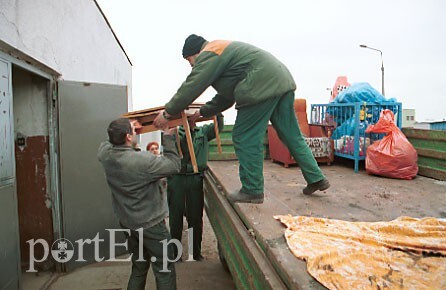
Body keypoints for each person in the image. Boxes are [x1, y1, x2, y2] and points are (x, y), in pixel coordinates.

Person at [153, 34, 330, 204]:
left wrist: (168, 113)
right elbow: (227, 96)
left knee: (245, 136)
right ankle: (316, 178)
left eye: (188, 60)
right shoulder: (223, 52)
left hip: (259, 84)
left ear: (194, 53)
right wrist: (203, 112)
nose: (191, 65)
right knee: (291, 135)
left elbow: (193, 85)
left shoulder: (210, 53)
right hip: (280, 80)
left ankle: (252, 189)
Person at [98, 118, 180, 290]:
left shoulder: (106, 155)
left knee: (139, 266)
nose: (136, 133)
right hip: (151, 225)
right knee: (164, 269)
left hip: (128, 223)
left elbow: (107, 143)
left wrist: (123, 131)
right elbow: (173, 166)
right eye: (133, 132)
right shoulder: (143, 161)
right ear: (128, 137)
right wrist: (168, 136)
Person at [167, 113, 224, 261]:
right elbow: (179, 148)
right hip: (177, 178)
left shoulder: (204, 131)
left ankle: (196, 253)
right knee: (175, 217)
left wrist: (217, 111)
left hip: (195, 178)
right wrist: (184, 127)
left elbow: (219, 126)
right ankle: (175, 254)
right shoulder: (175, 131)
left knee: (195, 217)